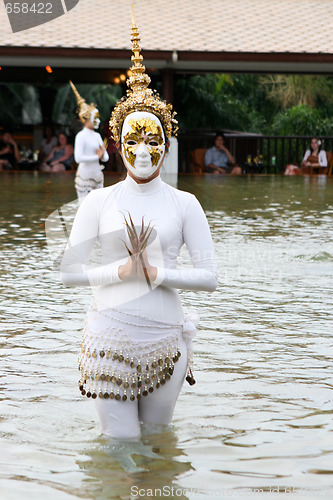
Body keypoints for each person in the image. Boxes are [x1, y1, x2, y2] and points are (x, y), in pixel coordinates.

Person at [60, 14, 218, 440]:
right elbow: (67, 271)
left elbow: (210, 277)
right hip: (110, 336)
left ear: (167, 145)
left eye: (153, 141)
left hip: (167, 340)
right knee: (121, 446)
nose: (143, 151)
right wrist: (121, 272)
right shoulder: (99, 200)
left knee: (155, 444)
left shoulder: (185, 203)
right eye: (133, 139)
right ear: (116, 141)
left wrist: (158, 274)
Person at [70, 81, 109, 198]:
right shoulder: (80, 136)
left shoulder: (97, 136)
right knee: (84, 207)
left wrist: (101, 155)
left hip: (97, 175)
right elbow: (78, 158)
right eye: (95, 118)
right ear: (87, 119)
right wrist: (97, 156)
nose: (99, 120)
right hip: (85, 176)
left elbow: (106, 158)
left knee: (98, 207)